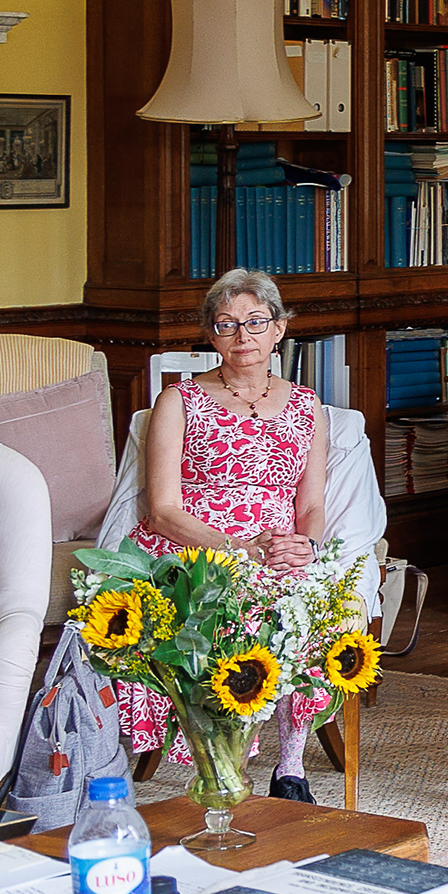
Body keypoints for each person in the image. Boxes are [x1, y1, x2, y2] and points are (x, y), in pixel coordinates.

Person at [119, 269, 335, 799]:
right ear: (210, 335)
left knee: (310, 601)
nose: (243, 337)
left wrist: (305, 547)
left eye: (256, 322)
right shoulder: (180, 401)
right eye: (227, 325)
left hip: (278, 547)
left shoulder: (308, 407)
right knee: (238, 602)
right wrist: (237, 548)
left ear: (280, 329)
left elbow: (310, 503)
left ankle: (291, 768)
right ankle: (220, 761)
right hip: (195, 546)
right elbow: (163, 508)